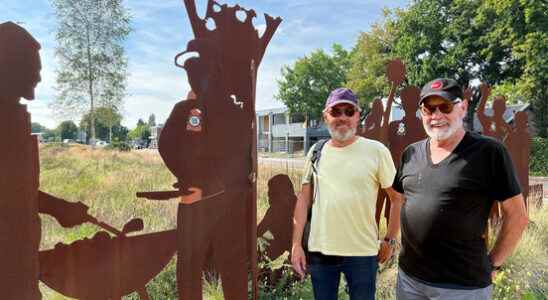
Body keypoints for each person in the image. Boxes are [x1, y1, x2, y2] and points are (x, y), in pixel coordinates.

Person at [392, 78, 529, 299]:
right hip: (410, 281)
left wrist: (494, 263)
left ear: (463, 107)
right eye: (428, 109)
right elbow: (400, 199)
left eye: (445, 107)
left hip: (462, 287)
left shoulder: (489, 153)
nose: (436, 116)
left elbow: (517, 216)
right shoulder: (411, 153)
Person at [0, 21, 90, 299]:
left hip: (18, 266)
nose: (38, 77)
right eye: (33, 68)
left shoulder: (11, 118)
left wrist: (59, 208)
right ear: (9, 66)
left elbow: (13, 188)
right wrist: (59, 208)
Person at [291, 88, 402, 300]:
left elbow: (396, 197)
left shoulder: (376, 151)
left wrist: (390, 239)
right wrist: (296, 244)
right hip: (321, 251)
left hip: (362, 253)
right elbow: (303, 199)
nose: (342, 117)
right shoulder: (316, 152)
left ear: (358, 116)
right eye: (336, 111)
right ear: (326, 117)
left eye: (349, 111)